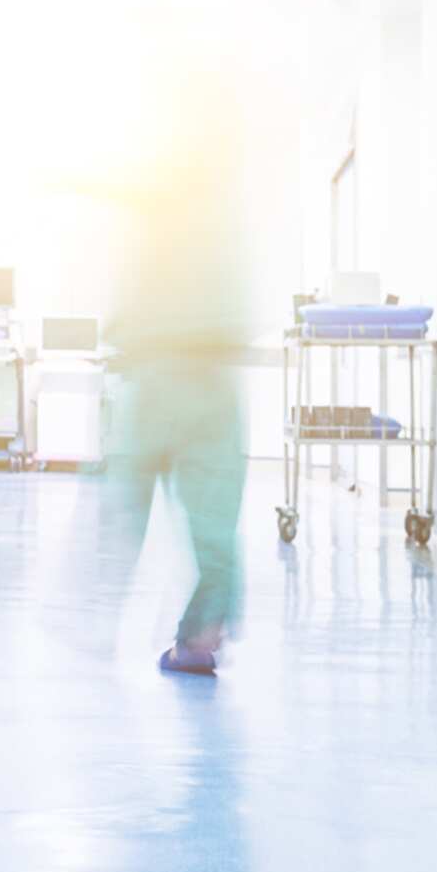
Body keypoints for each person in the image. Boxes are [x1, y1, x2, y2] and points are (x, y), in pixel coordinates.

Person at [100, 71, 262, 676]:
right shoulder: (219, 215)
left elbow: (131, 309)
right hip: (211, 381)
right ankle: (201, 638)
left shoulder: (157, 211)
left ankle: (97, 621)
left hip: (165, 376)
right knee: (215, 525)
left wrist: (125, 343)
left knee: (125, 506)